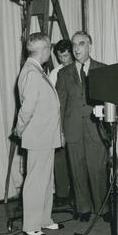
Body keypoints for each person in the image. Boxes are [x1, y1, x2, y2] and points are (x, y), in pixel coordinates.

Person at [56, 31, 109, 222]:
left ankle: (102, 208)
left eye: (81, 44)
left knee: (97, 169)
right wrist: (59, 131)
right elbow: (60, 104)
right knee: (77, 170)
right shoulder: (64, 73)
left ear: (89, 45)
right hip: (72, 129)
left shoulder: (102, 69)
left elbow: (110, 102)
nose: (77, 49)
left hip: (96, 129)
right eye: (74, 45)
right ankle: (83, 208)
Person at [15, 32, 62, 235]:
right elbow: (27, 108)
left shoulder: (35, 70)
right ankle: (31, 225)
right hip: (38, 136)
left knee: (45, 179)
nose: (49, 51)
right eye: (48, 48)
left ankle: (44, 219)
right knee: (36, 180)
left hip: (45, 135)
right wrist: (19, 129)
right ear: (43, 50)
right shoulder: (32, 73)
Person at [49, 40, 73, 206]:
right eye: (60, 56)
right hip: (61, 120)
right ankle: (62, 194)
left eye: (66, 55)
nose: (63, 60)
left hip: (78, 120)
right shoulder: (55, 73)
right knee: (60, 158)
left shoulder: (81, 69)